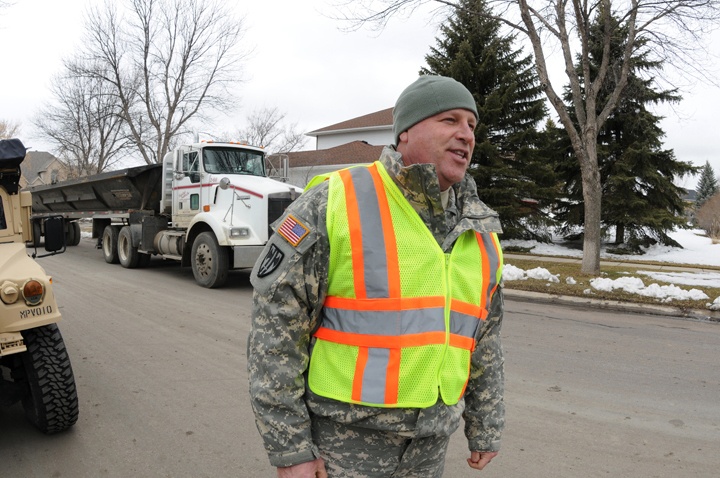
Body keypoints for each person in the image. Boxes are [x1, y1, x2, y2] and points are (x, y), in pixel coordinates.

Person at [247, 75, 505, 477]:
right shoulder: (335, 200)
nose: (465, 135)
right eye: (450, 120)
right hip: (345, 445)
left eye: (472, 125)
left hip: (430, 445)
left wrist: (485, 425)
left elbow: (484, 338)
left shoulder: (480, 229)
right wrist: (290, 448)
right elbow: (276, 333)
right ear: (404, 133)